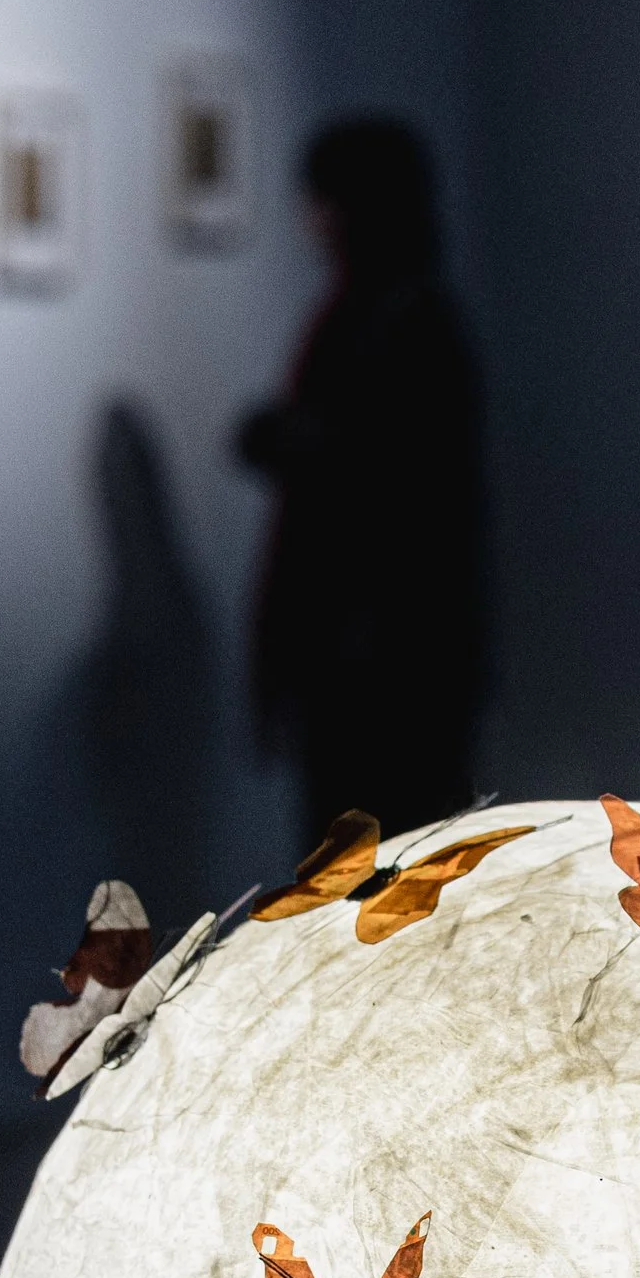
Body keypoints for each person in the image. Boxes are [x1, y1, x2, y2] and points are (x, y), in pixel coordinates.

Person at [236, 116, 489, 845]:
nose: (314, 223)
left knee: (379, 867)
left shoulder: (401, 323)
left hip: (383, 664)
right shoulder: (386, 318)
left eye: (327, 202)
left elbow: (392, 477)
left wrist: (295, 441)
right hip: (383, 660)